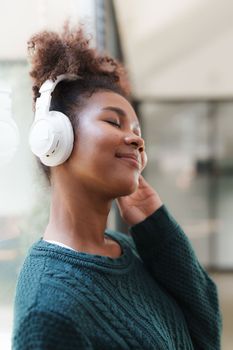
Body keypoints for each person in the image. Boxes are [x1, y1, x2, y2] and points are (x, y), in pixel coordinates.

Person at [12, 24, 222, 350]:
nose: (137, 139)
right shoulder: (49, 311)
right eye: (113, 121)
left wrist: (157, 227)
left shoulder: (127, 247)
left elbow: (205, 334)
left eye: (137, 129)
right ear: (54, 138)